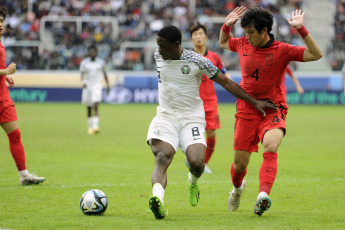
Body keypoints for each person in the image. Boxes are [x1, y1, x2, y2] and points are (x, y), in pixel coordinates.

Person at [147, 25, 277, 219]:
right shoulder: (159, 55)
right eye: (158, 45)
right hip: (166, 117)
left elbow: (225, 81)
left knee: (197, 163)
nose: (159, 49)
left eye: (163, 45)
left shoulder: (198, 61)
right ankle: (158, 199)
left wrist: (253, 101)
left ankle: (193, 180)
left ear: (176, 45)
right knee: (162, 156)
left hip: (192, 118)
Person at [219, 7, 322, 216]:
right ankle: (238, 189)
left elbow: (316, 54)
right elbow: (223, 42)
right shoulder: (242, 44)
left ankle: (263, 196)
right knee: (239, 165)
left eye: (250, 32)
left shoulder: (282, 49)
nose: (247, 36)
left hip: (272, 108)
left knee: (271, 145)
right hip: (246, 109)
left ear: (264, 30)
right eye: (245, 32)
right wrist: (227, 25)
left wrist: (301, 29)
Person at [0, 7, 45, 185]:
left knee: (15, 135)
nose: (0, 24)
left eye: (2, 21)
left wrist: (5, 75)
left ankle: (24, 175)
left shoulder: (1, 43)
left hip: (3, 99)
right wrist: (6, 70)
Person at [189, 23, 232, 174]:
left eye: (200, 34)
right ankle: (193, 159)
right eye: (195, 35)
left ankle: (204, 164)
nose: (198, 37)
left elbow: (225, 74)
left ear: (206, 37)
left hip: (211, 102)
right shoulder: (187, 57)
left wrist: (234, 87)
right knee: (194, 135)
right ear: (191, 38)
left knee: (212, 135)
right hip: (192, 103)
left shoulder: (214, 57)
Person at [80, 45, 110, 135]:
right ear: (89, 52)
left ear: (96, 52)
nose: (92, 53)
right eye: (91, 52)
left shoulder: (101, 62)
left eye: (94, 52)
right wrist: (83, 82)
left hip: (97, 86)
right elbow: (82, 74)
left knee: (96, 104)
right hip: (88, 86)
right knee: (89, 107)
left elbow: (105, 74)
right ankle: (90, 127)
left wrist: (108, 86)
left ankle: (96, 126)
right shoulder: (84, 63)